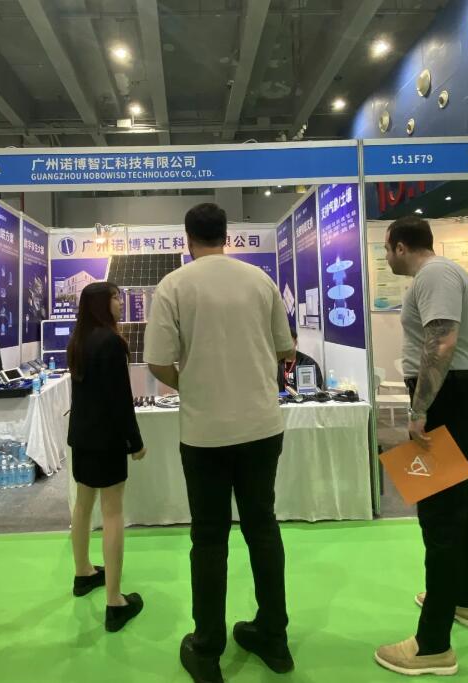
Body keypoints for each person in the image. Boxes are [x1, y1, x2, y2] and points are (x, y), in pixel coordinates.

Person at [144, 203, 296, 683]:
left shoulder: (174, 286)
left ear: (187, 238)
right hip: (262, 427)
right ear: (226, 236)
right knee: (262, 528)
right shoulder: (260, 281)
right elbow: (285, 349)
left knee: (209, 538)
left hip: (205, 433)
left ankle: (208, 649)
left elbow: (157, 362)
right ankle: (274, 637)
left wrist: (192, 385)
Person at [374, 216, 468, 676]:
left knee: (441, 516)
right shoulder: (441, 274)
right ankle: (466, 598)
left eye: (387, 249)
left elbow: (441, 343)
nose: (387, 256)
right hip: (457, 395)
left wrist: (420, 408)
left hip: (446, 399)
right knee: (467, 503)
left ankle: (432, 646)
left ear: (400, 246)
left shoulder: (435, 275)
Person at [67, 281, 146, 633]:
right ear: (101, 304)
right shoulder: (111, 342)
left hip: (82, 438)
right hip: (107, 441)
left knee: (83, 505)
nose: (120, 302)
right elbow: (120, 399)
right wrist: (135, 441)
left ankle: (83, 572)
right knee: (113, 512)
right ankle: (115, 602)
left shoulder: (78, 341)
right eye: (114, 297)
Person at [277, 326, 323, 393]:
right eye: (282, 343)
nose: (286, 346)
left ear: (295, 342)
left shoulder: (308, 363)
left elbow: (316, 388)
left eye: (288, 342)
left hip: (301, 399)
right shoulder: (276, 362)